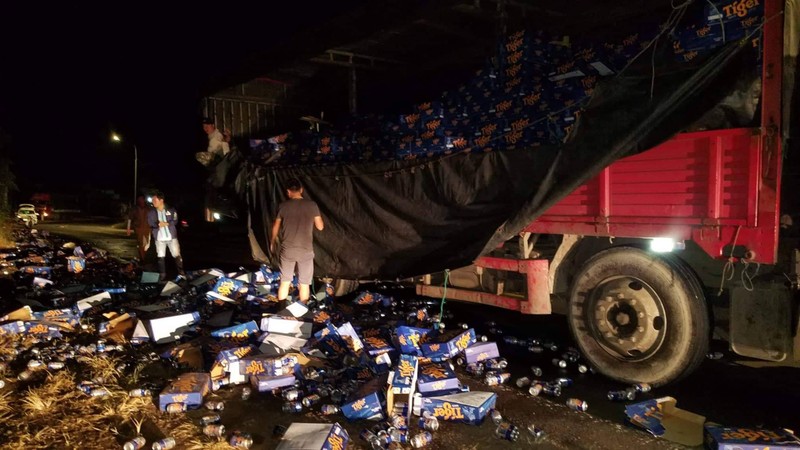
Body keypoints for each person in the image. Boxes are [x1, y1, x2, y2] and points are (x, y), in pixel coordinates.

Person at [270, 178, 324, 304]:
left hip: (287, 250)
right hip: (305, 251)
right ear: (301, 190)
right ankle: (302, 313)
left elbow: (275, 226)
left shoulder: (283, 206)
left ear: (288, 192)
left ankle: (281, 311)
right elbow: (320, 227)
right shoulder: (312, 205)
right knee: (304, 284)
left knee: (285, 282)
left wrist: (272, 241)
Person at [147, 191, 185, 280]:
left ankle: (181, 272)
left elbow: (175, 220)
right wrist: (158, 224)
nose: (153, 202)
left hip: (172, 237)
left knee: (176, 255)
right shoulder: (151, 212)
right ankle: (162, 274)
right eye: (152, 200)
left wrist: (167, 223)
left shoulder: (170, 209)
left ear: (161, 200)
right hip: (159, 238)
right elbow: (150, 222)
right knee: (160, 256)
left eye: (155, 200)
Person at [126, 195, 152, 261]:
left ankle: (144, 257)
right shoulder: (135, 209)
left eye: (141, 199)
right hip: (138, 229)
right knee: (141, 244)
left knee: (146, 245)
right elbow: (130, 218)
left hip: (147, 229)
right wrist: (128, 229)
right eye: (139, 200)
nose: (141, 201)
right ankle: (142, 259)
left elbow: (153, 218)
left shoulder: (148, 208)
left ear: (144, 200)